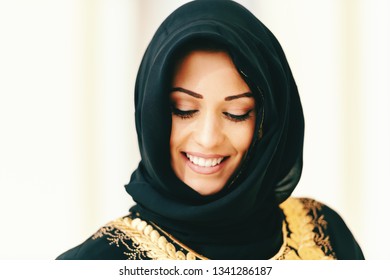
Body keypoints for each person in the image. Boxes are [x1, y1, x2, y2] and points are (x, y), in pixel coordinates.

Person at [57, 0, 364, 260]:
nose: (207, 138)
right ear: (154, 116)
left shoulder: (324, 233)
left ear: (267, 122)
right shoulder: (98, 262)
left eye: (236, 114)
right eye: (184, 110)